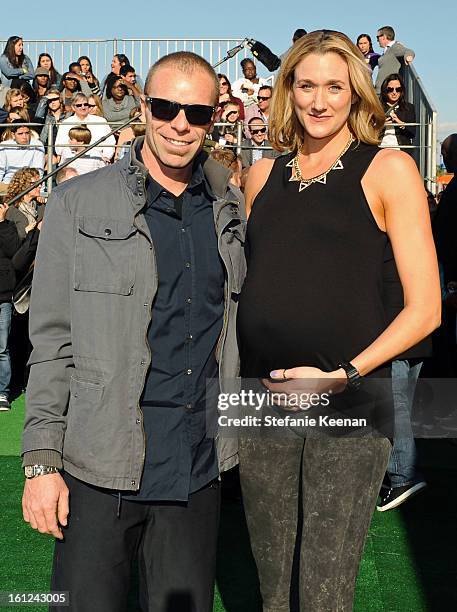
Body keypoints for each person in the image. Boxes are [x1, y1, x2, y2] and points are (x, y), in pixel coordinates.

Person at [21, 50, 245, 612]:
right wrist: (42, 463)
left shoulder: (227, 208)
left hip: (195, 470)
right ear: (143, 106)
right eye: (167, 107)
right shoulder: (77, 202)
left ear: (213, 119)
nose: (180, 124)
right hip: (99, 468)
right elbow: (51, 341)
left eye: (196, 113)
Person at [236, 29, 440, 612]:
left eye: (335, 85)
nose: (320, 100)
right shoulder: (260, 176)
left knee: (325, 589)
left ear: (356, 94)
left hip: (349, 397)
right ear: (288, 92)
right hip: (258, 397)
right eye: (306, 85)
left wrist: (344, 374)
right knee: (272, 583)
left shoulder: (388, 169)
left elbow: (426, 309)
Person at [55, 92, 115, 162]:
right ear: (73, 107)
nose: (83, 107)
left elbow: (110, 142)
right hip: (72, 159)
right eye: (79, 105)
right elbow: (59, 147)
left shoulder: (101, 121)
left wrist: (106, 157)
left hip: (97, 159)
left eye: (86, 104)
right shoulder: (66, 123)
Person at [0, 121, 45, 192]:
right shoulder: (4, 146)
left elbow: (39, 171)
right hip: (8, 184)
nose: (24, 137)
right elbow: (0, 171)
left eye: (27, 133)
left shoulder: (37, 144)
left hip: (29, 185)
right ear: (13, 135)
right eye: (20, 134)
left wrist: (40, 190)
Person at [380, 73, 416, 151]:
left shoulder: (409, 108)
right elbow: (367, 132)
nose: (394, 92)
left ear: (401, 91)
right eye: (390, 89)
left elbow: (412, 133)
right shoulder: (376, 107)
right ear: (385, 90)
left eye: (398, 89)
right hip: (380, 150)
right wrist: (380, 125)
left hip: (401, 151)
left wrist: (400, 123)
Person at [375, 26, 414, 94]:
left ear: (384, 37)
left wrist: (408, 57)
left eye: (377, 37)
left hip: (387, 92)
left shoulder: (395, 47)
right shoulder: (388, 49)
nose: (377, 40)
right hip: (380, 92)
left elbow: (409, 51)